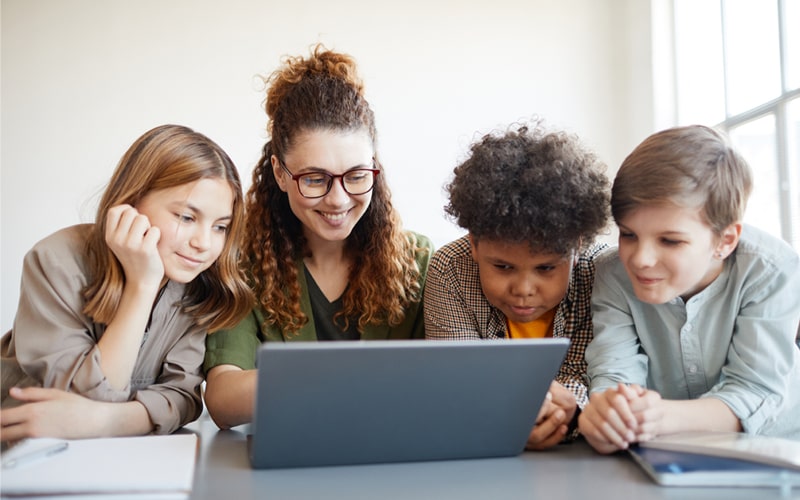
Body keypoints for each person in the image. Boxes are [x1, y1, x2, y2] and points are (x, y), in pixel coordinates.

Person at [203, 45, 433, 429]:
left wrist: (304, 379)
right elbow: (224, 400)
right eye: (315, 179)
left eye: (357, 176)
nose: (339, 199)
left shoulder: (419, 260)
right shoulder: (242, 261)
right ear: (279, 173)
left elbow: (448, 382)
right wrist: (355, 376)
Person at [0, 124, 253, 440]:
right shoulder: (55, 262)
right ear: (132, 203)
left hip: (119, 461)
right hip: (24, 459)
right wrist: (142, 286)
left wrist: (106, 421)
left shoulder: (197, 286)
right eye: (186, 218)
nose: (204, 243)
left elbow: (182, 398)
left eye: (220, 227)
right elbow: (83, 400)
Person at [580, 124, 800, 454]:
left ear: (725, 240)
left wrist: (655, 417)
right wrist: (607, 414)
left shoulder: (771, 268)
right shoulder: (612, 273)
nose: (640, 259)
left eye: (670, 240)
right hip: (665, 451)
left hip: (777, 449)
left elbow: (753, 392)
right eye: (628, 234)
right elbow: (614, 373)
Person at [424, 121, 611, 450]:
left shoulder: (597, 273)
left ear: (577, 247)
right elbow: (459, 381)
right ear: (475, 244)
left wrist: (559, 415)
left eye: (546, 268)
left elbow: (586, 376)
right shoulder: (450, 269)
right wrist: (509, 419)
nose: (524, 288)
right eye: (503, 266)